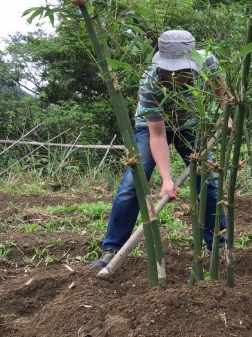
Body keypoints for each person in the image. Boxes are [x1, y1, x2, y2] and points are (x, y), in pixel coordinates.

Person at [91, 30, 230, 269]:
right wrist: (167, 179)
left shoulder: (207, 61)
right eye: (172, 71)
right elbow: (156, 134)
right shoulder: (151, 80)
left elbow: (220, 87)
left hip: (190, 123)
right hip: (151, 126)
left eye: (184, 71)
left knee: (209, 181)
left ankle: (220, 245)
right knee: (133, 183)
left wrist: (225, 111)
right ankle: (112, 248)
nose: (177, 76)